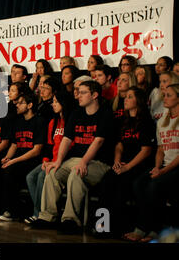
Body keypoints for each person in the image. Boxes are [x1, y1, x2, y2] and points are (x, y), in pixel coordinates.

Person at [31, 81, 114, 234]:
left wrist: (83, 162)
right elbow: (66, 139)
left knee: (76, 174)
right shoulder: (77, 113)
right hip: (75, 159)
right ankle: (47, 217)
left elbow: (98, 141)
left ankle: (70, 220)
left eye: (83, 92)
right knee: (52, 173)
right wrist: (58, 161)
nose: (78, 96)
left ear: (94, 95)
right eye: (78, 92)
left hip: (99, 163)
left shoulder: (105, 113)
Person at [97, 86, 155, 238]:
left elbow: (146, 150)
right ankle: (101, 225)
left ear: (139, 101)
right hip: (123, 163)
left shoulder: (146, 121)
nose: (125, 99)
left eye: (130, 97)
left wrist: (127, 167)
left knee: (122, 185)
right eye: (125, 96)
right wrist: (117, 162)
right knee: (106, 181)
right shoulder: (123, 120)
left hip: (139, 165)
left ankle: (116, 228)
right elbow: (119, 145)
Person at [124, 84, 179, 242]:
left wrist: (162, 171)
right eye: (164, 95)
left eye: (169, 95)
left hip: (175, 166)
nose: (164, 98)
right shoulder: (162, 121)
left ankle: (151, 228)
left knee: (154, 185)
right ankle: (145, 226)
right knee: (138, 183)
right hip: (164, 166)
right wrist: (156, 167)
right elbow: (160, 149)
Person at [25, 90, 74, 225]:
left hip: (65, 161)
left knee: (42, 177)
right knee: (30, 177)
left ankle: (40, 214)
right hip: (51, 160)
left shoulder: (71, 121)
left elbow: (72, 146)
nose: (53, 104)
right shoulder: (53, 122)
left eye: (56, 102)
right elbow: (48, 145)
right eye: (53, 102)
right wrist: (46, 161)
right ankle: (40, 210)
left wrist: (57, 161)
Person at [0, 93, 45, 221]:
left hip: (32, 160)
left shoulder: (39, 121)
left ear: (30, 105)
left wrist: (13, 161)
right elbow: (14, 144)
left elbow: (36, 150)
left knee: (10, 171)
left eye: (20, 103)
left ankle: (12, 211)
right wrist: (7, 157)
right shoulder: (18, 121)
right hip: (18, 159)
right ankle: (0, 208)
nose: (16, 105)